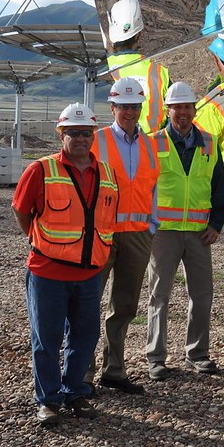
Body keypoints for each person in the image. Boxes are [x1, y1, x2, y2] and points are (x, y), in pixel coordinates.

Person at [12, 103, 119, 426]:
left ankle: (75, 391)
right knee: (47, 338)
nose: (81, 139)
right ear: (61, 135)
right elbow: (21, 211)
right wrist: (39, 238)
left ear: (94, 135)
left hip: (89, 273)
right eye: (73, 132)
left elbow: (107, 216)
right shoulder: (41, 170)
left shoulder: (108, 174)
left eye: (86, 132)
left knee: (85, 337)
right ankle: (48, 400)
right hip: (48, 272)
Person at [146, 81, 224, 378]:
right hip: (163, 233)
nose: (182, 112)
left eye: (187, 107)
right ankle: (156, 357)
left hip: (198, 233)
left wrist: (216, 225)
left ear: (195, 109)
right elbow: (144, 187)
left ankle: (198, 353)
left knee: (202, 294)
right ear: (168, 110)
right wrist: (148, 224)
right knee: (159, 295)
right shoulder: (153, 143)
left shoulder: (209, 142)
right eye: (177, 107)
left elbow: (220, 187)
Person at [84, 78, 160, 395]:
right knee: (87, 304)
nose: (129, 112)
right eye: (123, 106)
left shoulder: (151, 144)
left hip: (138, 235)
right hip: (102, 235)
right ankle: (81, 375)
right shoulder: (95, 141)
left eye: (134, 106)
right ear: (112, 107)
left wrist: (152, 223)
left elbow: (152, 186)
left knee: (125, 307)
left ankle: (114, 370)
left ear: (141, 108)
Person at [102, 0, 171, 134]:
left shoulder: (103, 68)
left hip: (116, 145)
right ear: (139, 36)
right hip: (156, 146)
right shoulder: (159, 70)